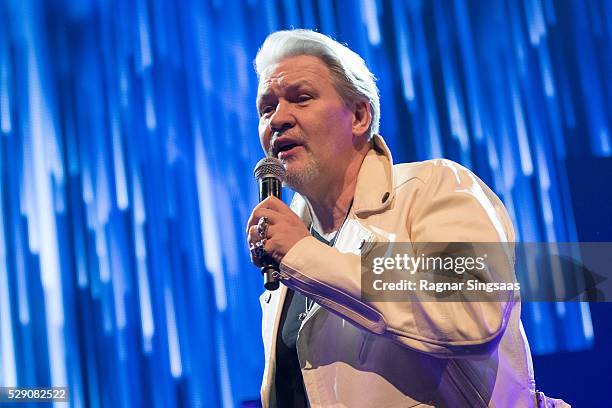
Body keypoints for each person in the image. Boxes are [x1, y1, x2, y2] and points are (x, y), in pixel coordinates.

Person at [246, 29, 569, 408]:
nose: (279, 119)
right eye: (267, 108)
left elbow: (470, 312)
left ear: (360, 115)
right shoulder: (287, 260)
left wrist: (304, 256)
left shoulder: (432, 189)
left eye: (301, 98)